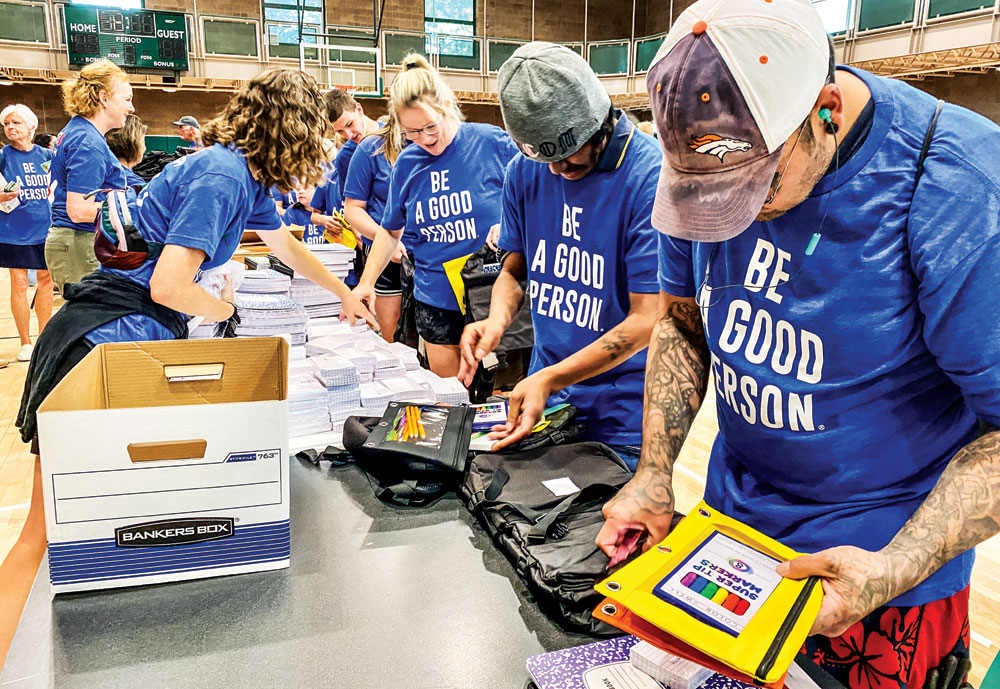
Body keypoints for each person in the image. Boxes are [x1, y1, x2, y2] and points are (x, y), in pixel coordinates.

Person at [596, 1, 1000, 687]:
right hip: (730, 537)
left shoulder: (957, 188)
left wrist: (891, 568)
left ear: (826, 109)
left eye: (757, 186)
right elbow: (686, 321)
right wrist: (657, 472)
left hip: (878, 573)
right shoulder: (693, 170)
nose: (734, 215)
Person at [18, 68, 376, 453]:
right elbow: (169, 286)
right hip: (107, 340)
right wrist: (225, 310)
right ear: (292, 132)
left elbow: (288, 248)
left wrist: (345, 291)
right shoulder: (222, 178)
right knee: (66, 501)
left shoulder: (242, 175)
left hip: (126, 329)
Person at [458, 43, 660, 469]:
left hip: (621, 417)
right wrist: (495, 322)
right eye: (543, 158)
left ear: (599, 124)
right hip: (545, 403)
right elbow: (515, 270)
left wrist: (549, 378)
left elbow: (646, 320)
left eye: (567, 160)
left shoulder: (649, 178)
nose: (555, 171)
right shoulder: (524, 170)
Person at [354, 54, 518, 376]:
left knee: (495, 400)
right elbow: (390, 232)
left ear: (445, 105)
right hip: (436, 299)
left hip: (490, 293)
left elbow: (534, 199)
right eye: (411, 133)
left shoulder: (492, 143)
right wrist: (366, 282)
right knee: (448, 399)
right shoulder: (407, 164)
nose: (425, 139)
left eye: (430, 126)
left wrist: (509, 224)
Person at [47, 58, 132, 294]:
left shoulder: (78, 132)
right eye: (127, 99)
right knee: (90, 326)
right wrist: (129, 210)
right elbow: (79, 210)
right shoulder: (87, 141)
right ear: (103, 98)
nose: (131, 107)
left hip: (74, 241)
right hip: (79, 241)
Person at [342, 110, 407, 341]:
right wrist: (385, 240)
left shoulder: (432, 146)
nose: (348, 134)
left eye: (349, 125)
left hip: (427, 257)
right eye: (340, 130)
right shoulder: (370, 148)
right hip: (385, 256)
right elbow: (352, 208)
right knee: (390, 334)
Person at [0, 104, 54, 362]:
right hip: (13, 231)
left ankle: (44, 338)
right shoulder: (3, 157)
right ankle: (25, 342)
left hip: (45, 227)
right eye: (7, 124)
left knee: (46, 282)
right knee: (19, 283)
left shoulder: (46, 155)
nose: (10, 127)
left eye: (16, 123)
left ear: (31, 127)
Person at [105, 113, 147, 189]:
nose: (144, 148)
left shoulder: (102, 172)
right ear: (134, 144)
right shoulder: (135, 185)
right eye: (143, 141)